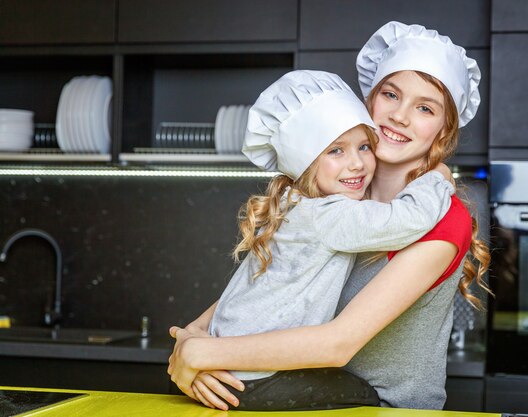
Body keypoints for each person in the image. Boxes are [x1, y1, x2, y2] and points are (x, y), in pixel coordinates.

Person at [168, 21, 491, 410]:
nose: (400, 116)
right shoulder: (336, 193)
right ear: (367, 101)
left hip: (382, 408)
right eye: (391, 94)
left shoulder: (443, 220)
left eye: (425, 108)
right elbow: (263, 289)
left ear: (444, 129)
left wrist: (205, 355)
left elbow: (339, 343)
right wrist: (192, 340)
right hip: (303, 394)